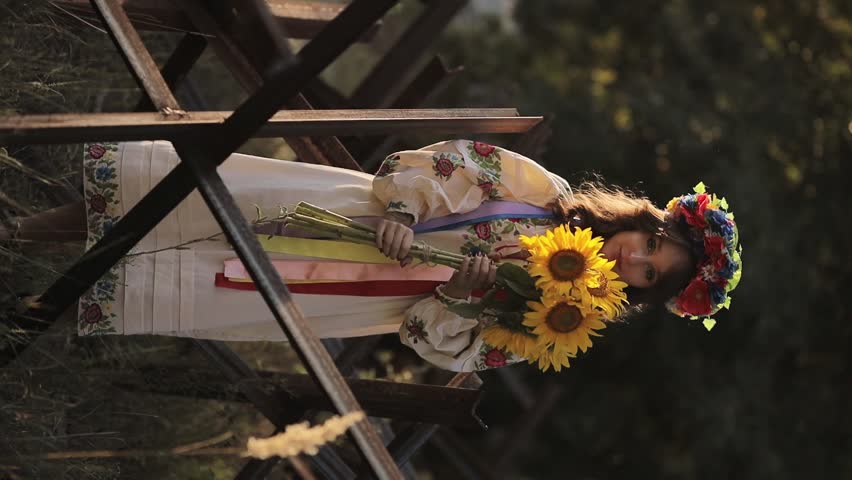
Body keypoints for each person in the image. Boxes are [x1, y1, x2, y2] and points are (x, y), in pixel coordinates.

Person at [3, 139, 741, 371]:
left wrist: (463, 300)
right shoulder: (542, 193)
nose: (630, 261)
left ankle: (24, 307)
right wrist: (402, 207)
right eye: (648, 245)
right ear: (644, 220)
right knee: (191, 205)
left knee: (188, 279)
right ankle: (20, 236)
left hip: (335, 295)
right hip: (344, 213)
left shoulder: (552, 318)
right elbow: (450, 161)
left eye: (646, 277)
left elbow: (435, 346)